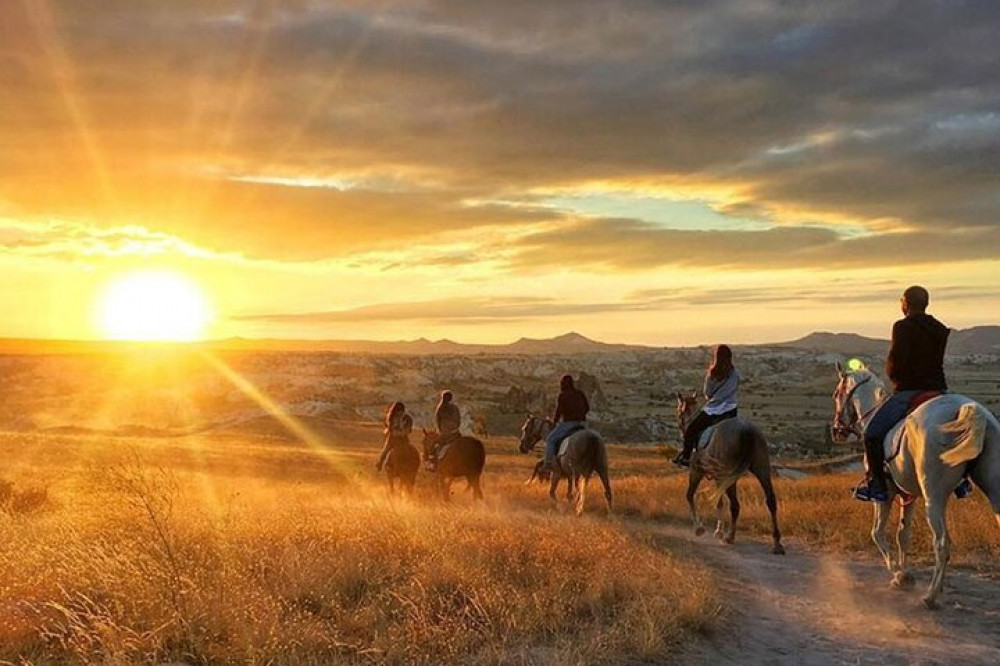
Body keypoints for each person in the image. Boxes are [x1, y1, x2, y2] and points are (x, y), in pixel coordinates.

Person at [853, 286, 954, 502]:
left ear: (906, 303)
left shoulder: (902, 327)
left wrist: (892, 377)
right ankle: (961, 481)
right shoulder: (940, 328)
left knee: (871, 434)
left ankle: (877, 485)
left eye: (901, 301)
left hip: (909, 391)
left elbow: (896, 363)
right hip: (938, 391)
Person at [673, 344, 740, 467]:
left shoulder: (712, 374)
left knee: (691, 430)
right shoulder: (735, 374)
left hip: (714, 410)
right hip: (731, 410)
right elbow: (735, 389)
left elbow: (707, 394)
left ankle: (686, 457)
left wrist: (715, 397)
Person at [542, 374, 590, 472]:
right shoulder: (580, 393)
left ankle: (548, 464)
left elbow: (558, 412)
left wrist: (554, 422)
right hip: (583, 424)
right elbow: (587, 408)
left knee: (551, 439)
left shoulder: (563, 395)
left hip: (569, 424)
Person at [375, 401, 413, 471]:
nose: (400, 413)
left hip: (399, 439)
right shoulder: (391, 418)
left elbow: (408, 429)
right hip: (395, 439)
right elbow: (390, 428)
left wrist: (400, 432)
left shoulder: (405, 418)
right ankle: (380, 463)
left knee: (386, 450)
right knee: (385, 450)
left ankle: (380, 463)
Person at [429, 390, 461, 469]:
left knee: (433, 445)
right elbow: (459, 420)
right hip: (455, 432)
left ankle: (433, 464)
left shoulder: (440, 408)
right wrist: (455, 427)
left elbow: (438, 421)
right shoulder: (455, 408)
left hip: (445, 433)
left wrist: (441, 431)